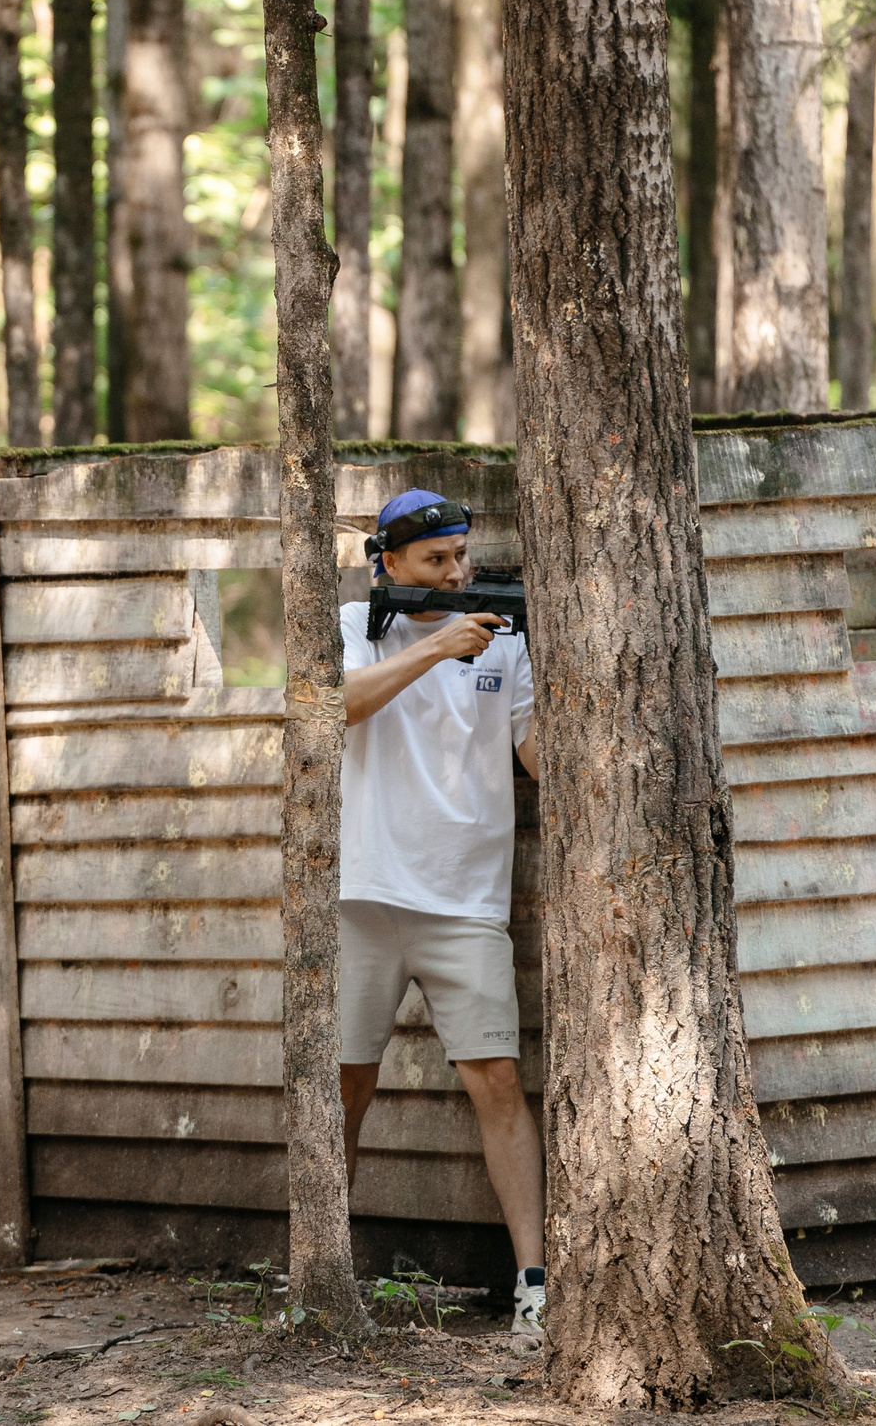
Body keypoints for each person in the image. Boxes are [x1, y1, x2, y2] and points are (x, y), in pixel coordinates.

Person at [338, 488, 546, 1343]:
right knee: (345, 1082)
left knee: (497, 1079)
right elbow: (334, 704)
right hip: (366, 891)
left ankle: (535, 1282)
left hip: (467, 897)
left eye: (463, 557)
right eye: (436, 561)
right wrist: (435, 650)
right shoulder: (357, 623)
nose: (457, 573)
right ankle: (321, 1266)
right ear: (388, 563)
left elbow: (535, 753)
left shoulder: (508, 638)